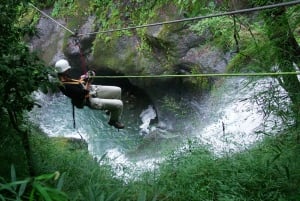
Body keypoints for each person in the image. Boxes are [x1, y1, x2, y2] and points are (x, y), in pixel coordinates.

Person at [54, 59, 124, 129]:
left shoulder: (65, 78)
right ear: (65, 71)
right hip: (88, 100)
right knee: (119, 104)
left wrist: (82, 78)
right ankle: (113, 121)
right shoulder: (64, 86)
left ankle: (110, 109)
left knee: (118, 90)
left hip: (91, 90)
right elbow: (82, 93)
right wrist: (89, 81)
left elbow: (76, 84)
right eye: (68, 69)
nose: (69, 70)